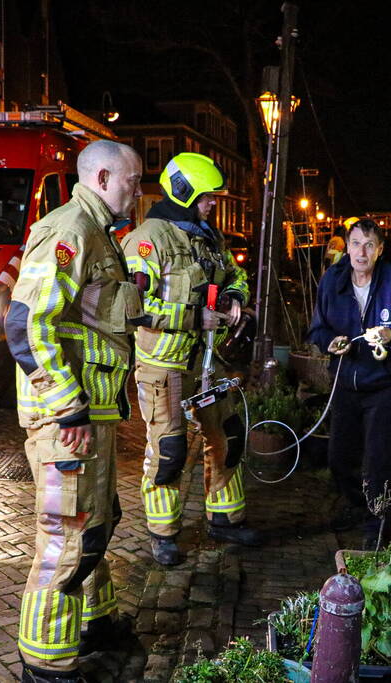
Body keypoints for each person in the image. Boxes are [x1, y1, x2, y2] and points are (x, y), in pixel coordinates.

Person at [5, 139, 144, 683]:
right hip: (69, 421)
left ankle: (97, 624)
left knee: (96, 524)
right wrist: (68, 408)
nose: (138, 189)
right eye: (132, 179)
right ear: (103, 177)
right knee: (67, 540)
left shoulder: (99, 233)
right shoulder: (70, 231)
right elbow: (27, 325)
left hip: (93, 415)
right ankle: (46, 664)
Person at [121, 152, 260, 566]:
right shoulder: (147, 241)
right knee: (169, 450)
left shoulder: (208, 236)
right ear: (183, 192)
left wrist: (234, 298)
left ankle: (225, 519)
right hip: (164, 365)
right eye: (207, 196)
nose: (213, 203)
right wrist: (193, 317)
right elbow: (133, 307)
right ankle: (163, 535)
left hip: (208, 361)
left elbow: (235, 275)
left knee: (228, 435)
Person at [307, 218, 391, 549]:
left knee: (379, 463)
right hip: (345, 385)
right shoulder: (332, 280)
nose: (362, 252)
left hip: (384, 388)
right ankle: (357, 506)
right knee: (339, 459)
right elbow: (317, 329)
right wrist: (330, 342)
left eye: (369, 245)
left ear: (380, 250)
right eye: (356, 244)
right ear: (347, 247)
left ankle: (377, 527)